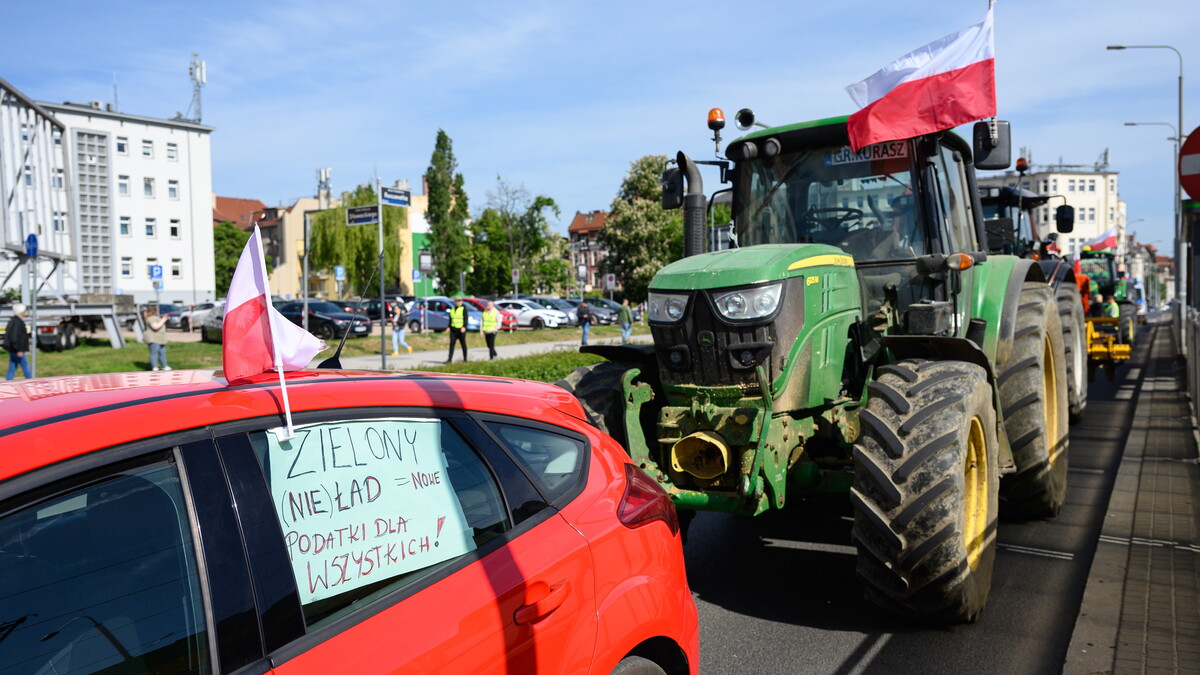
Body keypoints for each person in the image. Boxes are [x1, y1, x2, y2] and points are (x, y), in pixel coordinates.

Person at [4, 303, 31, 380]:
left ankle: (8, 381)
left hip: (13, 349)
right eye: (24, 311)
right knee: (25, 366)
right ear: (21, 312)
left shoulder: (14, 321)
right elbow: (14, 337)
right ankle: (30, 381)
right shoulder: (17, 323)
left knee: (12, 366)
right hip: (17, 349)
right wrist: (18, 350)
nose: (25, 312)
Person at [144, 306, 171, 371]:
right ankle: (154, 367)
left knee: (162, 353)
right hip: (153, 339)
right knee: (154, 353)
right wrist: (164, 319)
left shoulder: (156, 318)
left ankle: (164, 366)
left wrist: (163, 319)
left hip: (160, 339)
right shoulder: (151, 319)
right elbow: (156, 326)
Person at [447, 297, 468, 362]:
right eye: (457, 301)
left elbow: (465, 318)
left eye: (459, 301)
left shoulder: (463, 309)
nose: (458, 302)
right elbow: (451, 319)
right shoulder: (452, 309)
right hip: (453, 330)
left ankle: (465, 359)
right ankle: (449, 359)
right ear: (455, 302)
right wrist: (449, 327)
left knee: (463, 344)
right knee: (451, 345)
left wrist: (464, 327)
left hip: (461, 329)